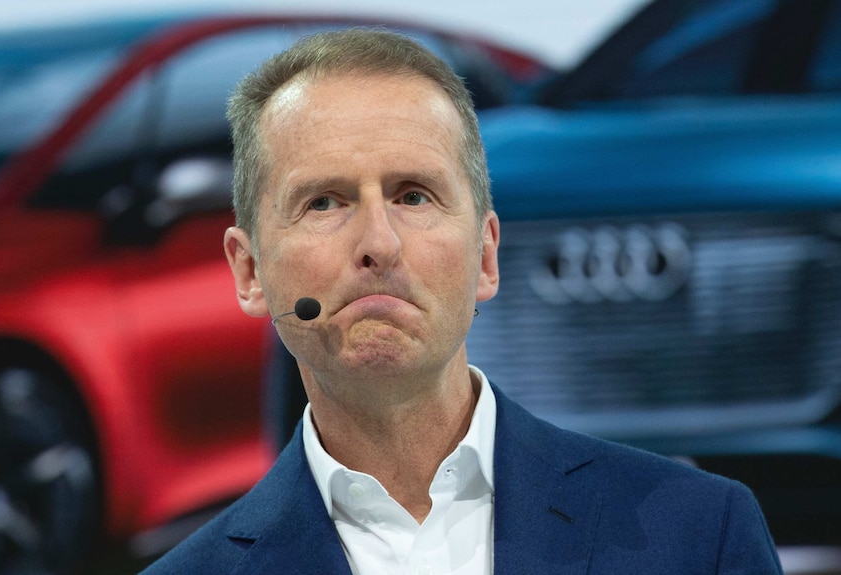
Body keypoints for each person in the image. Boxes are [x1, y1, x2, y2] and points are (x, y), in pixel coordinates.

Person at [141, 28, 782, 574]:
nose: (379, 244)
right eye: (324, 202)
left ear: (484, 255)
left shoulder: (701, 536)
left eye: (414, 195)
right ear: (249, 271)